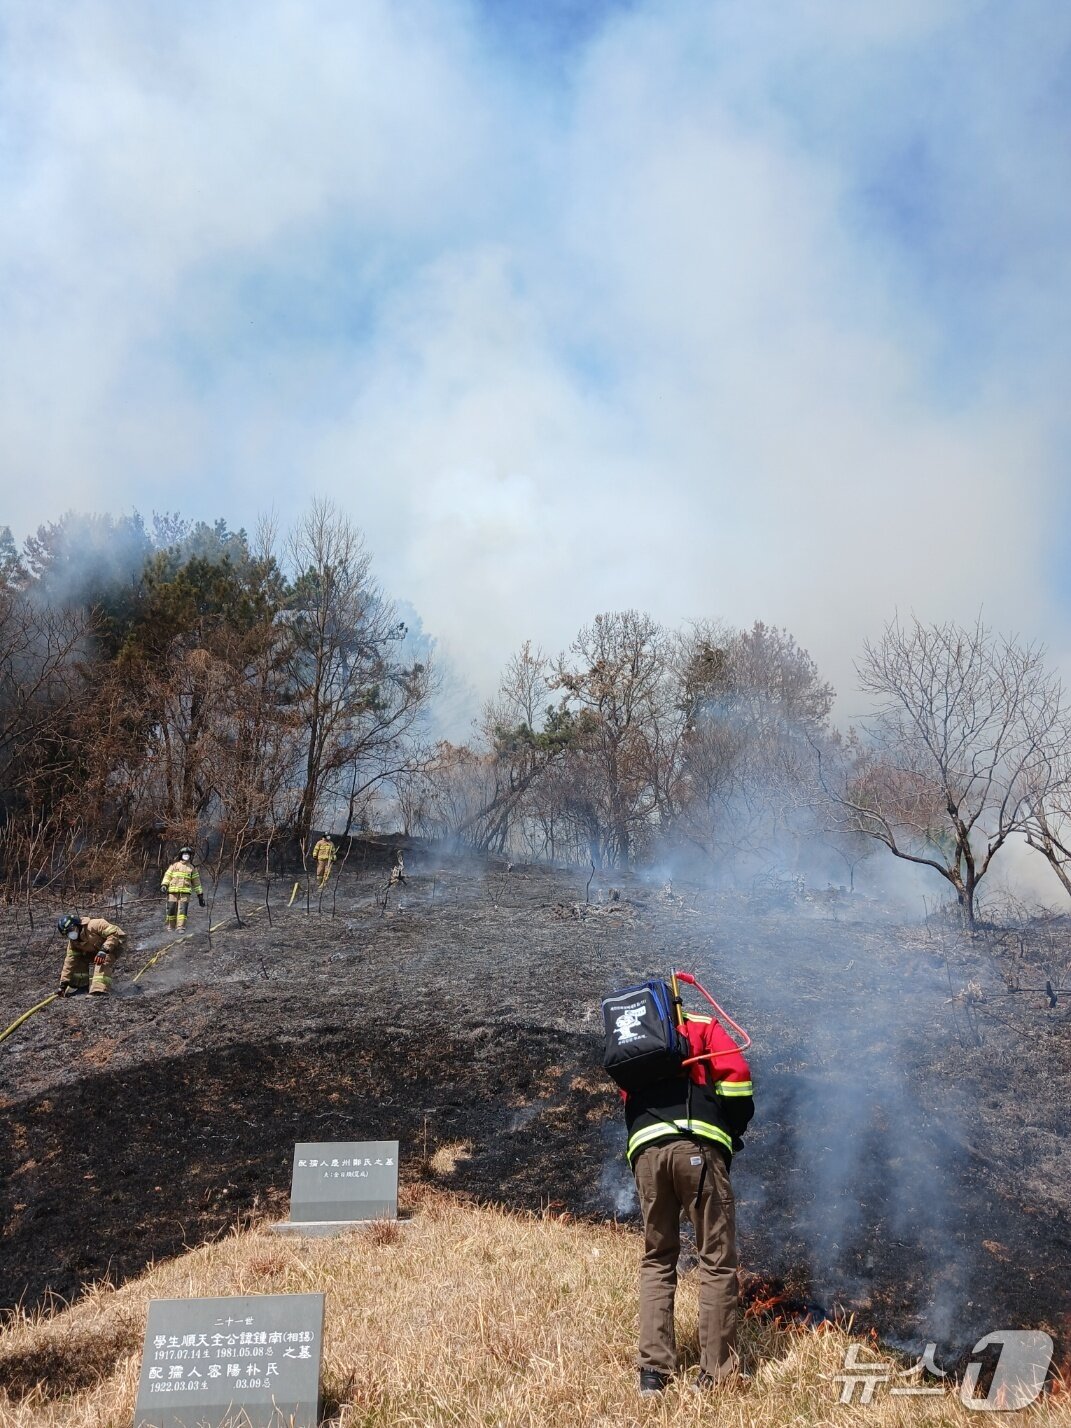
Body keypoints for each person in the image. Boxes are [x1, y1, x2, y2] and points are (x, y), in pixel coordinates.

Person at [621, 990, 754, 1395]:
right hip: (696, 1148)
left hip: (645, 1153)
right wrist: (732, 1129)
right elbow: (738, 1080)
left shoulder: (638, 1043)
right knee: (715, 1259)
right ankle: (715, 1375)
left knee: (657, 1258)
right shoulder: (701, 1027)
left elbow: (629, 1099)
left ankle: (653, 1374)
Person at [56, 914, 127, 996]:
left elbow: (113, 934)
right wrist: (63, 985)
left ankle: (99, 990)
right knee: (79, 961)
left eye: (71, 929)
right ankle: (82, 986)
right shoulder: (74, 942)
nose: (71, 934)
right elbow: (70, 961)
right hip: (96, 948)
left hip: (116, 942)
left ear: (78, 925)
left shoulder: (94, 925)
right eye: (68, 933)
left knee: (101, 960)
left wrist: (104, 951)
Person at [160, 845, 205, 929]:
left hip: (185, 893)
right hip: (173, 892)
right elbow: (167, 876)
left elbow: (197, 883)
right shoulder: (174, 866)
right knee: (171, 909)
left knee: (182, 910)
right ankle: (171, 926)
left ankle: (181, 927)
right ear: (181, 855)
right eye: (185, 854)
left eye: (188, 854)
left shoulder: (192, 868)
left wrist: (200, 895)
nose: (186, 856)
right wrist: (164, 885)